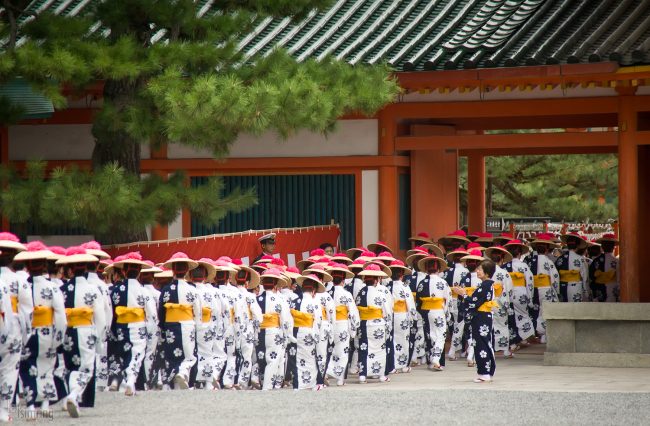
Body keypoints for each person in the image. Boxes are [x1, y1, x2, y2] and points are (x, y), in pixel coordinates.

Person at [15, 243, 66, 419]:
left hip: (27, 331)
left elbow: (19, 312)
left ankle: (30, 405)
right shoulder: (52, 287)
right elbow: (60, 314)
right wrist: (59, 336)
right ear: (44, 265)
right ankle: (45, 403)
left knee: (27, 366)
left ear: (27, 265)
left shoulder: (22, 286)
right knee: (47, 367)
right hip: (47, 331)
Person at [56, 247, 106, 417]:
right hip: (86, 331)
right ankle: (74, 395)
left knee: (71, 366)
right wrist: (99, 337)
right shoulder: (93, 290)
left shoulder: (62, 290)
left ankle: (72, 398)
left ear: (70, 269)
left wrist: (60, 334)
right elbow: (100, 317)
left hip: (68, 331)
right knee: (86, 368)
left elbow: (59, 316)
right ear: (85, 268)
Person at [108, 252, 157, 396]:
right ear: (139, 272)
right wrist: (151, 331)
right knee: (137, 354)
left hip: (121, 326)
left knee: (124, 353)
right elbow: (152, 314)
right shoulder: (143, 291)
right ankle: (130, 381)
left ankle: (123, 382)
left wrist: (112, 329)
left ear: (123, 271)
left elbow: (111, 312)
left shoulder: (115, 290)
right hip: (138, 326)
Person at [158, 252, 202, 390]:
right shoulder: (192, 289)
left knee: (172, 355)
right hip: (188, 323)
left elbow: (161, 311)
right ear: (187, 271)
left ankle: (174, 383)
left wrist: (163, 326)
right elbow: (198, 309)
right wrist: (197, 325)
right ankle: (182, 372)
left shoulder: (165, 290)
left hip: (170, 324)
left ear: (173, 270)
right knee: (189, 355)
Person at [452, 259, 497, 383]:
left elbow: (473, 302)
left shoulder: (486, 285)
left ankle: (485, 372)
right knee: (482, 343)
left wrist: (463, 294)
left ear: (487, 273)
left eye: (480, 269)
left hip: (482, 317)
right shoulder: (487, 285)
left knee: (482, 344)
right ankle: (485, 371)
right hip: (483, 316)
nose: (477, 271)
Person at [0, 233, 29, 423]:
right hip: (14, 328)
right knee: (10, 369)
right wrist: (27, 334)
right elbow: (27, 311)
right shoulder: (20, 281)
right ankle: (3, 409)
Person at [255, 268, 292, 390]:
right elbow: (285, 320)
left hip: (259, 331)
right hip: (274, 332)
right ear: (276, 284)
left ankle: (261, 382)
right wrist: (286, 335)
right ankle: (268, 385)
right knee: (273, 359)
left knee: (261, 357)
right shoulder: (280, 300)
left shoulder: (256, 299)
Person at [355, 264, 391, 383]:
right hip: (377, 323)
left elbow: (356, 308)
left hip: (364, 323)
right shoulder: (380, 293)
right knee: (380, 349)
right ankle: (381, 375)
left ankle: (362, 375)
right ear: (376, 280)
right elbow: (387, 311)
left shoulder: (360, 292)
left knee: (364, 348)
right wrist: (388, 325)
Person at [288, 274, 324, 390]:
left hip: (295, 332)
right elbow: (318, 320)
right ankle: (311, 384)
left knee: (296, 359)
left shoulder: (294, 301)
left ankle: (297, 385)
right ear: (313, 290)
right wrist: (317, 335)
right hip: (309, 332)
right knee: (311, 359)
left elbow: (289, 319)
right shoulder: (315, 303)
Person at [325, 263, 359, 385]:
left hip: (329, 324)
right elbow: (353, 313)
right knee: (343, 351)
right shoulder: (346, 294)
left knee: (331, 350)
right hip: (342, 324)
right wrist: (354, 328)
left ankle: (326, 374)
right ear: (343, 281)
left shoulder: (327, 293)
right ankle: (339, 380)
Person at [415, 255, 450, 371]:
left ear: (426, 269)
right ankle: (437, 359)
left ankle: (430, 362)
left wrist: (422, 312)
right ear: (439, 269)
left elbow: (418, 302)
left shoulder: (421, 283)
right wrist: (447, 313)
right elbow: (448, 300)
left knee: (429, 335)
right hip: (438, 311)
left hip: (425, 311)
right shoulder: (443, 282)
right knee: (441, 335)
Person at [448, 249, 483, 364]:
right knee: (474, 331)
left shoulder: (464, 279)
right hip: (476, 308)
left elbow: (459, 296)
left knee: (458, 329)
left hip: (464, 306)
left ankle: (452, 351)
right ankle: (471, 355)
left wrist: (460, 308)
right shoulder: (481, 279)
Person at [526, 234, 560, 342]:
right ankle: (543, 335)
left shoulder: (529, 260)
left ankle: (535, 332)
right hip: (545, 288)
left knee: (534, 310)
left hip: (533, 289)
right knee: (544, 310)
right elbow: (555, 277)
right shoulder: (549, 261)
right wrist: (556, 291)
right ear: (546, 249)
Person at [503, 240, 535, 345]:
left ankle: (515, 339)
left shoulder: (504, 267)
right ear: (520, 253)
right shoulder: (524, 266)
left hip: (509, 293)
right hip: (521, 292)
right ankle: (523, 337)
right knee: (523, 315)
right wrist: (530, 297)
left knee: (512, 317)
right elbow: (530, 281)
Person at [386, 260, 415, 374]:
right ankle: (403, 365)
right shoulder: (405, 287)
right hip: (402, 315)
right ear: (402, 275)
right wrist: (413, 316)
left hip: (391, 315)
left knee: (392, 339)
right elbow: (410, 303)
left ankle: (393, 365)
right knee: (403, 339)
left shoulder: (387, 286)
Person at [555, 233, 590, 302]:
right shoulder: (581, 259)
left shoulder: (559, 259)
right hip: (576, 287)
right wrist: (586, 292)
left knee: (565, 308)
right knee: (575, 309)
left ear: (567, 245)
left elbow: (556, 275)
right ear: (578, 245)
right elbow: (585, 277)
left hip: (562, 287)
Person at [590, 234, 619, 302]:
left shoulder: (595, 261)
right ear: (613, 247)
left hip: (598, 288)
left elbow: (591, 277)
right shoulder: (617, 261)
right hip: (612, 288)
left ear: (602, 247)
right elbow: (619, 278)